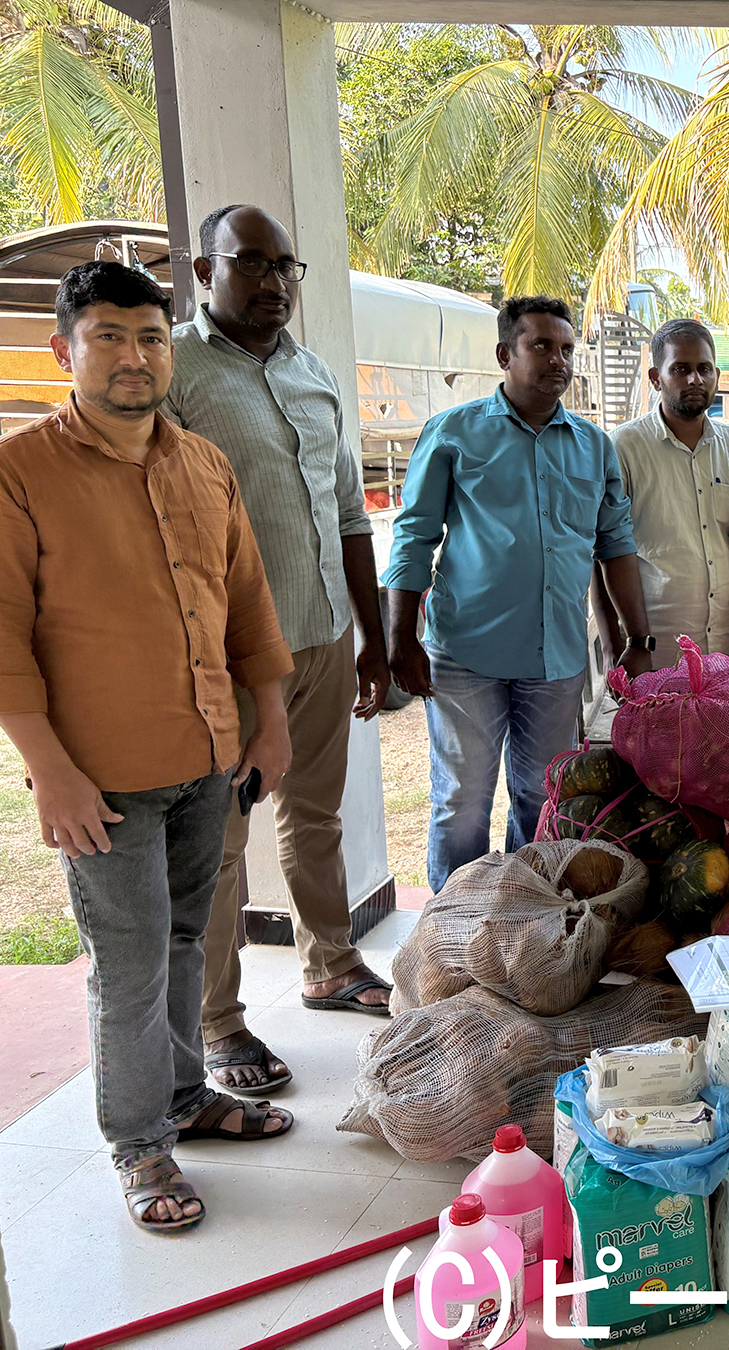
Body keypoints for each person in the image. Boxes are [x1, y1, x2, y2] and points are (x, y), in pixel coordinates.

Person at [0, 261, 296, 1233]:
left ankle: (182, 1099)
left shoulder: (202, 464)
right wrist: (50, 771)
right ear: (64, 350)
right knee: (127, 964)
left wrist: (272, 720)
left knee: (181, 941)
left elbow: (248, 605)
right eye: (110, 337)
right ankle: (138, 1142)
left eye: (151, 337)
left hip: (207, 758)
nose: (134, 357)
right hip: (101, 781)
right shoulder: (22, 470)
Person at [164, 204, 395, 1098]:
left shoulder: (314, 374)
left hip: (326, 634)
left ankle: (330, 963)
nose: (271, 284)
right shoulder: (176, 370)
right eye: (250, 264)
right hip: (224, 659)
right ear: (202, 269)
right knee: (220, 843)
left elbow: (346, 515)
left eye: (284, 269)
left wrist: (371, 638)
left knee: (317, 813)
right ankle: (220, 1020)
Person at [384, 296, 654, 891]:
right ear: (506, 354)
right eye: (541, 346)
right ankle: (453, 936)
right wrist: (399, 639)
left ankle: (523, 920)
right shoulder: (453, 434)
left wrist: (638, 639)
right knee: (463, 800)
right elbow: (414, 537)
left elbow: (616, 546)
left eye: (565, 349)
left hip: (555, 659)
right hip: (464, 656)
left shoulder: (593, 446)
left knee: (545, 795)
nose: (557, 360)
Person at [603, 318, 729, 669]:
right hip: (656, 653)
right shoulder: (623, 447)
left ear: (716, 374)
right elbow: (603, 556)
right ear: (656, 378)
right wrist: (617, 647)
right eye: (681, 369)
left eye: (704, 369)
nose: (695, 379)